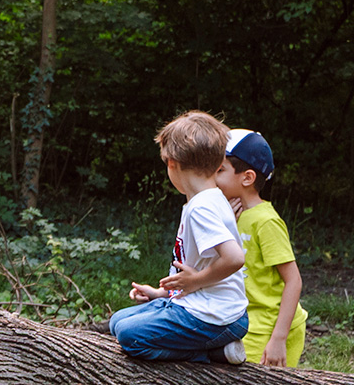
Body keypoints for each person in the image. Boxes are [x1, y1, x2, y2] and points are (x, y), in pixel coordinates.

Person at [111, 110, 249, 364]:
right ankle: (212, 348)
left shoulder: (201, 208)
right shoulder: (208, 200)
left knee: (129, 336)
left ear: (171, 163)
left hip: (215, 317)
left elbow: (234, 258)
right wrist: (160, 293)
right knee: (117, 321)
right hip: (204, 306)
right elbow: (200, 266)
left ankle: (209, 354)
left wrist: (195, 281)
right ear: (218, 162)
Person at [221, 128, 307, 367]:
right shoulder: (232, 215)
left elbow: (293, 281)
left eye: (219, 170)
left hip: (270, 326)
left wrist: (278, 338)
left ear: (247, 178)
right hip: (245, 320)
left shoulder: (266, 221)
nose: (211, 177)